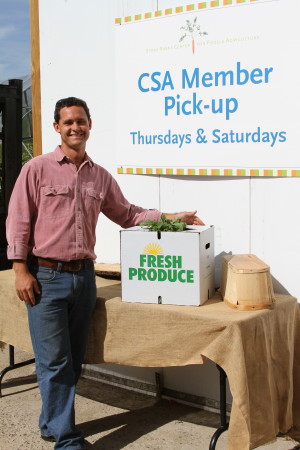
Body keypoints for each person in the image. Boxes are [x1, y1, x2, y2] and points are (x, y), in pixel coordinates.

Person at [6, 97, 204, 450]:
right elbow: (18, 221)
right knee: (54, 362)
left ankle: (52, 424)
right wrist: (20, 270)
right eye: (67, 122)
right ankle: (67, 441)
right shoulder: (36, 169)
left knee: (74, 361)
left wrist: (172, 217)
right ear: (57, 127)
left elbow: (129, 214)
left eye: (80, 121)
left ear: (89, 125)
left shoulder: (100, 176)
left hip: (84, 279)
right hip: (46, 279)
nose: (75, 128)